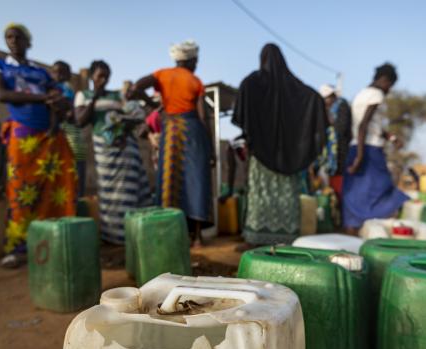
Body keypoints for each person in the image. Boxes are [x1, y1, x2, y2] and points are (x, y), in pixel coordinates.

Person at [0, 23, 76, 268]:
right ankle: (18, 247)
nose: (13, 40)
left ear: (28, 42)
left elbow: (61, 99)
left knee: (56, 188)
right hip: (23, 135)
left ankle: (56, 240)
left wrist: (57, 109)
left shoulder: (40, 71)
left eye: (18, 37)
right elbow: (1, 94)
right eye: (9, 36)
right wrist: (43, 98)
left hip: (50, 135)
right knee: (21, 190)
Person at [232, 43, 327, 246]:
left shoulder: (252, 82)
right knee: (286, 197)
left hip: (260, 156)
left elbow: (243, 114)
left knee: (260, 194)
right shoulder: (296, 89)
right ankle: (285, 239)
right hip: (289, 159)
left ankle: (256, 238)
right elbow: (315, 100)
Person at [128, 40, 213, 247]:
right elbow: (204, 117)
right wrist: (210, 148)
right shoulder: (196, 81)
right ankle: (198, 237)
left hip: (172, 130)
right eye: (196, 60)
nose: (196, 64)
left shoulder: (162, 75)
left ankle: (168, 234)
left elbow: (135, 88)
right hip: (193, 131)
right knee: (197, 180)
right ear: (191, 60)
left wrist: (152, 104)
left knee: (169, 179)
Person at [75, 60, 151, 245]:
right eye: (100, 75)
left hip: (125, 148)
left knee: (129, 190)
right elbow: (80, 121)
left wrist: (123, 127)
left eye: (107, 76)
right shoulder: (83, 95)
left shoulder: (118, 95)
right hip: (104, 149)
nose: (104, 79)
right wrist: (95, 97)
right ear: (92, 76)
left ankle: (133, 234)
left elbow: (133, 117)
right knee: (109, 193)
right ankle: (113, 237)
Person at [343, 63, 409, 234]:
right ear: (385, 80)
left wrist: (392, 138)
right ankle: (378, 232)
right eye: (390, 85)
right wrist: (360, 157)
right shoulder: (377, 94)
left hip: (356, 146)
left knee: (356, 193)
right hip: (369, 150)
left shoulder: (360, 94)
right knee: (383, 189)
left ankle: (352, 232)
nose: (389, 90)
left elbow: (371, 126)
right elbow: (363, 126)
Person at [51, 60, 87, 197]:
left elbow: (70, 113)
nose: (58, 75)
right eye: (55, 71)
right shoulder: (52, 89)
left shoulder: (67, 89)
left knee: (76, 164)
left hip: (70, 132)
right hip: (60, 132)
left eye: (62, 72)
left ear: (68, 75)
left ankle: (78, 198)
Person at [318, 84, 352, 198]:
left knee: (339, 186)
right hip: (329, 155)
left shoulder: (342, 106)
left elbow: (341, 129)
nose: (326, 101)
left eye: (327, 98)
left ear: (332, 96)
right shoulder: (326, 109)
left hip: (340, 153)